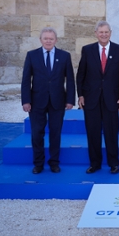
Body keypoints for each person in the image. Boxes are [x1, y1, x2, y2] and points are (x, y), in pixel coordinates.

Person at [76, 21, 119, 174]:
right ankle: (95, 163)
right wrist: (80, 95)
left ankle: (114, 163)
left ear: (110, 33)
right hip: (90, 98)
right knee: (92, 132)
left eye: (106, 32)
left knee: (111, 132)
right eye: (101, 32)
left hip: (112, 99)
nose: (104, 35)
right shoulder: (87, 50)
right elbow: (81, 75)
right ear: (96, 33)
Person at [21, 27, 75, 174]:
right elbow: (26, 79)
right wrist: (25, 100)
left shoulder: (64, 56)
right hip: (36, 101)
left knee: (55, 133)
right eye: (46, 38)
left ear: (56, 40)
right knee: (37, 133)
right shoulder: (32, 55)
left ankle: (54, 162)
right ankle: (38, 164)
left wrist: (70, 99)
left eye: (51, 38)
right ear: (41, 40)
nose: (48, 41)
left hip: (58, 101)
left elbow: (70, 79)